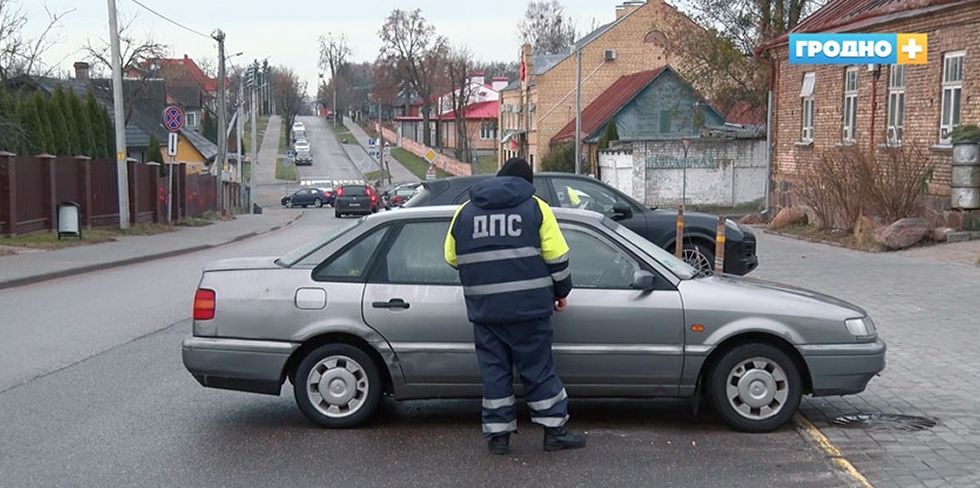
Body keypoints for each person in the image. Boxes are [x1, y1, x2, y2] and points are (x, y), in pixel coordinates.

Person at [444, 158, 586, 455]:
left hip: (486, 311)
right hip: (529, 311)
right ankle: (554, 432)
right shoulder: (536, 207)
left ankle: (499, 438)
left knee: (494, 372)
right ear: (527, 182)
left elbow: (451, 257)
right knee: (538, 368)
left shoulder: (465, 212)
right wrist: (562, 292)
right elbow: (557, 258)